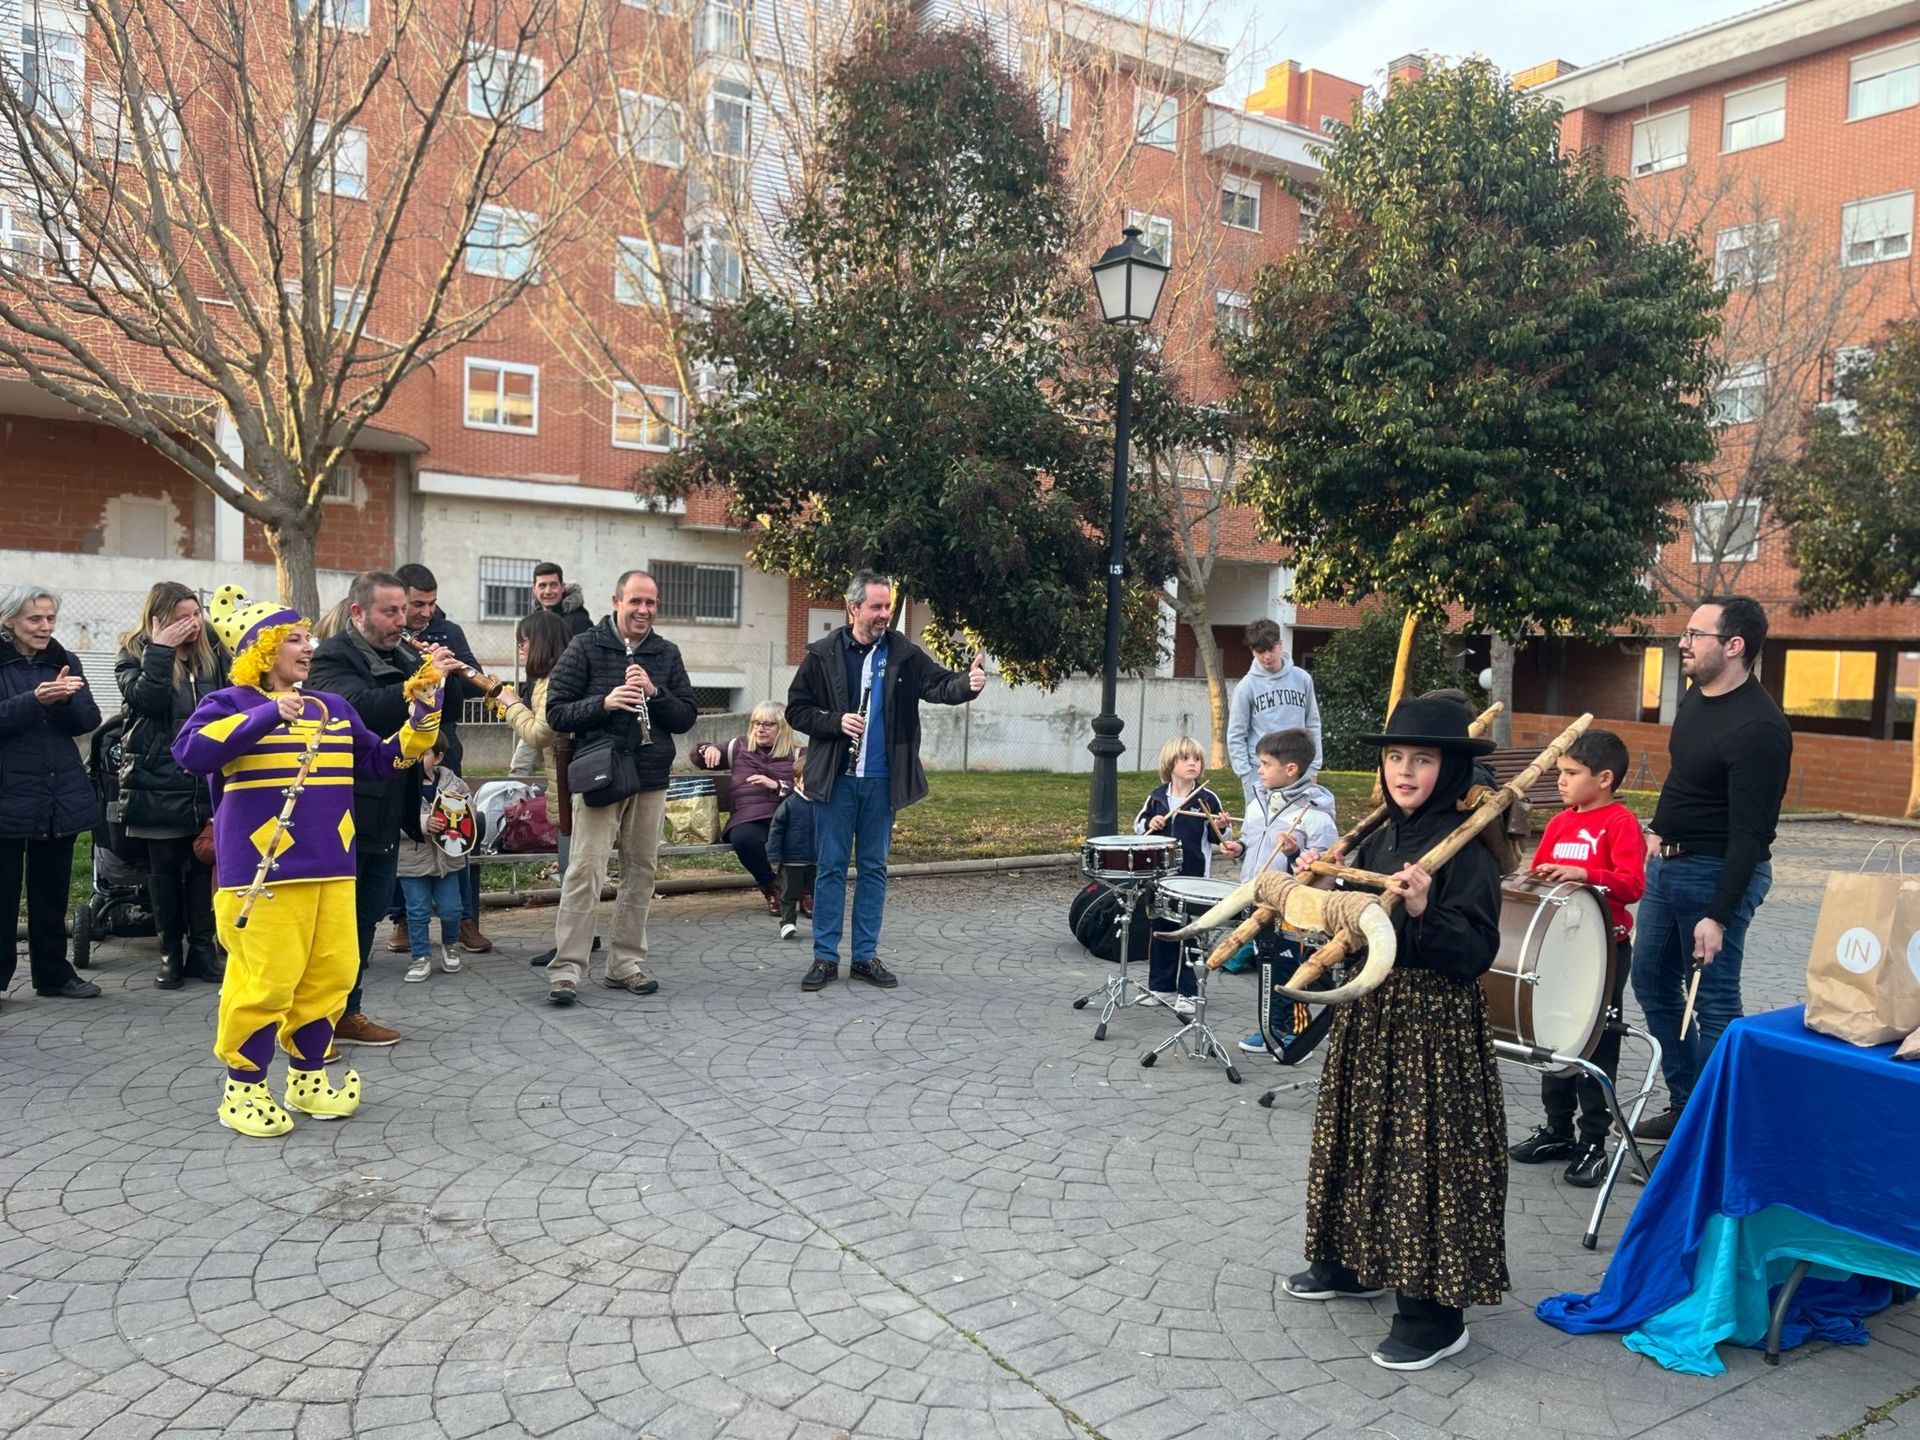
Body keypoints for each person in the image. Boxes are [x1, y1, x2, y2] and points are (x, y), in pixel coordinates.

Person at [174, 584, 450, 1136]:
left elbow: (382, 761)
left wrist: (424, 711)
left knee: (330, 975)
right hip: (260, 875)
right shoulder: (227, 703)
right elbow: (191, 751)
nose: (309, 648)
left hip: (334, 868)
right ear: (263, 650)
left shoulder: (332, 708)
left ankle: (308, 1079)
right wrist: (266, 714)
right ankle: (243, 1089)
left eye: (308, 638)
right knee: (266, 982)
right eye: (295, 639)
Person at [1283, 697, 1506, 1373]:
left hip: (1431, 1029)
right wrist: (1321, 887)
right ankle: (1352, 1263)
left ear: (1451, 767)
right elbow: (1350, 927)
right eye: (1395, 758)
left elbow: (1476, 953)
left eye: (1423, 759)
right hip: (1371, 1015)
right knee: (1358, 1140)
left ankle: (1434, 1317)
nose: (1405, 771)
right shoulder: (1378, 836)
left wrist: (1425, 907)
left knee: (1423, 1160)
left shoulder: (1468, 846)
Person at [1632, 596, 1791, 1142]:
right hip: (1670, 867)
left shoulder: (1759, 728)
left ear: (1734, 645)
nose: (1683, 643)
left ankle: (1709, 1133)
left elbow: (1751, 833)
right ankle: (1687, 1107)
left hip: (1717, 875)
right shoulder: (1697, 694)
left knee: (1715, 1003)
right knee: (1652, 983)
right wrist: (1658, 827)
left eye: (1695, 635)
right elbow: (1686, 778)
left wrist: (1719, 915)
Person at [787, 572, 986, 993]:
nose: (884, 614)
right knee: (830, 868)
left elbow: (939, 685)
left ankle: (864, 956)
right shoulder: (822, 653)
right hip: (836, 779)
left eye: (888, 606)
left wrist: (967, 685)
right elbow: (796, 709)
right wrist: (834, 722)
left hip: (882, 781)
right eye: (876, 606)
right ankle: (825, 958)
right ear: (853, 608)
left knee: (874, 869)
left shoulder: (903, 653)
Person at [309, 570, 464, 1047]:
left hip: (389, 807)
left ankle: (346, 1012)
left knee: (367, 916)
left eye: (404, 610)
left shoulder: (404, 654)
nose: (403, 620)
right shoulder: (332, 656)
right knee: (338, 921)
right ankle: (316, 1019)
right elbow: (358, 708)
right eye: (390, 611)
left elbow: (445, 713)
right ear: (359, 612)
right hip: (346, 811)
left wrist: (444, 675)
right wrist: (418, 683)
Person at [541, 570, 698, 1006]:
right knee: (585, 871)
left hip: (649, 777)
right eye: (636, 602)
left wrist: (655, 692)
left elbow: (686, 716)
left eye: (651, 603)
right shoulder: (585, 646)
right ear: (616, 602)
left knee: (641, 873)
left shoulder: (666, 653)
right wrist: (606, 702)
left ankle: (625, 963)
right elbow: (556, 712)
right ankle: (567, 969)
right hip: (602, 775)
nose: (644, 610)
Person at [1509, 729, 1646, 1186]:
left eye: (1571, 773)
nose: (1561, 781)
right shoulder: (1559, 823)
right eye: (1560, 772)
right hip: (1559, 950)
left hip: (1604, 952)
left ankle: (1593, 1141)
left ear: (1603, 778)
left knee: (1595, 1040)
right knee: (1552, 1031)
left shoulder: (1620, 822)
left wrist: (1583, 873)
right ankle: (1557, 1129)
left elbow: (1632, 884)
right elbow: (1542, 875)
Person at [114, 582, 230, 990]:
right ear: (157, 620)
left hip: (203, 778)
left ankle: (202, 950)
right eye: (182, 617)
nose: (193, 624)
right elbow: (148, 701)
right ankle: (169, 955)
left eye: (196, 614)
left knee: (202, 864)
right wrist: (160, 650)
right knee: (163, 870)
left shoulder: (212, 653)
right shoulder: (133, 653)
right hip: (156, 779)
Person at [0, 584, 103, 1002]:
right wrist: (35, 700)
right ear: (9, 622)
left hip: (57, 794)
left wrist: (62, 701)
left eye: (50, 618)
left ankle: (54, 975)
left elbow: (88, 719)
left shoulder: (64, 659)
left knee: (51, 893)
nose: (45, 626)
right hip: (7, 794)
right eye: (35, 619)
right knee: (3, 896)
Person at [391, 562, 490, 956]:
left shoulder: (448, 632)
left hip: (443, 742)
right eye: (418, 604)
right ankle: (402, 919)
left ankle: (463, 918)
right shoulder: (389, 634)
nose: (426, 612)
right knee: (402, 827)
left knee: (457, 822)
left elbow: (475, 685)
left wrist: (449, 669)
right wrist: (422, 669)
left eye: (431, 603)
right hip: (400, 743)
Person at [1236, 727, 1340, 1054]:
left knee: (1289, 967)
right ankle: (1271, 1024)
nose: (1259, 770)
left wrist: (1295, 854)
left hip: (1293, 907)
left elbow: (1324, 873)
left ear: (1291, 769)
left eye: (1266, 764)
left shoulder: (1317, 817)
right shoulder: (1257, 804)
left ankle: (1295, 1030)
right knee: (1265, 964)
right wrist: (1238, 848)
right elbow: (1249, 840)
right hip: (1258, 899)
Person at [1133, 734, 1241, 1013]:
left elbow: (1221, 837)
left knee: (1193, 935)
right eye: (1185, 758)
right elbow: (1139, 826)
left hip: (1195, 878)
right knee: (1162, 931)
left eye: (1197, 759)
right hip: (1162, 878)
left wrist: (1222, 826)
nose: (1193, 763)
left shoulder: (1207, 798)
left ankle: (1190, 993)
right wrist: (1152, 822)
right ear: (1170, 763)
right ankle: (1161, 986)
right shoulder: (1157, 798)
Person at [691, 702, 798, 914]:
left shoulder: (798, 752)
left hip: (787, 816)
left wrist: (777, 785)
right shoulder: (739, 747)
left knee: (805, 835)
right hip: (749, 816)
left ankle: (804, 889)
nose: (760, 729)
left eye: (768, 724)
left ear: (783, 727)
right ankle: (771, 887)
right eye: (756, 723)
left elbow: (812, 787)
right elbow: (698, 757)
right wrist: (706, 748)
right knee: (743, 838)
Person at [1227, 618, 1323, 816]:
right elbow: (1236, 734)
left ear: (1280, 644)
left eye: (1271, 649)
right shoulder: (1246, 687)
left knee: (1299, 825)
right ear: (1252, 651)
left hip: (1298, 770)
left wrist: (1313, 767)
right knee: (1261, 826)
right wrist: (1246, 774)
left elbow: (1313, 724)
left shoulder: (1302, 679)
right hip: (1261, 773)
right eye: (1259, 651)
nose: (1267, 656)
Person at [396, 740, 471, 984]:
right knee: (417, 911)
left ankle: (450, 945)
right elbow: (391, 821)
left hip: (448, 860)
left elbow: (469, 811)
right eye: (411, 753)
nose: (416, 759)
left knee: (452, 909)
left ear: (438, 758)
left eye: (423, 754)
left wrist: (458, 812)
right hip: (412, 860)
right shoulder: (399, 784)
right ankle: (420, 957)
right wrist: (422, 823)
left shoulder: (454, 783)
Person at [766, 756, 816, 941]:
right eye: (808, 780)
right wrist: (774, 854)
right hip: (792, 859)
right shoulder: (789, 804)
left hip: (817, 858)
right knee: (789, 892)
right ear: (797, 781)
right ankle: (787, 922)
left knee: (820, 891)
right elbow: (776, 830)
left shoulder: (824, 805)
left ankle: (822, 923)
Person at [531, 561, 594, 638]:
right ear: (534, 589)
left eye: (553, 585)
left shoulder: (579, 622)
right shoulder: (533, 621)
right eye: (542, 586)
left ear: (562, 587)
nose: (548, 592)